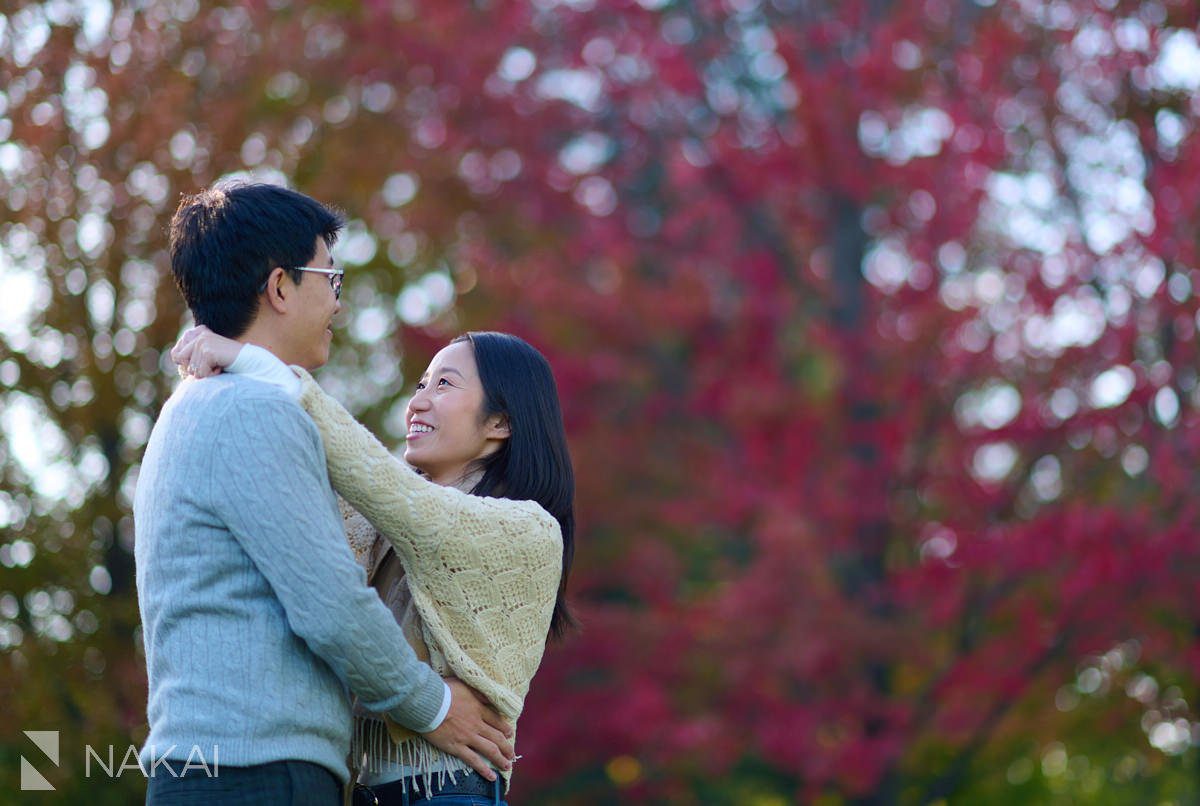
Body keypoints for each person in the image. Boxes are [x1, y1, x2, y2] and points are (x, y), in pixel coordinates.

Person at [135, 183, 513, 806]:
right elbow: (331, 603)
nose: (338, 301)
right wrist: (435, 706)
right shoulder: (254, 411)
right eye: (330, 279)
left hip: (213, 765)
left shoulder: (192, 408)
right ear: (281, 286)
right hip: (259, 772)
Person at [172, 326, 576, 806]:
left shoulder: (527, 530)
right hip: (363, 791)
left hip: (447, 794)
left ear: (500, 423)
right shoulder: (384, 517)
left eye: (444, 384)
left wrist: (260, 365)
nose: (418, 402)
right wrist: (222, 383)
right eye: (421, 384)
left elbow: (393, 491)